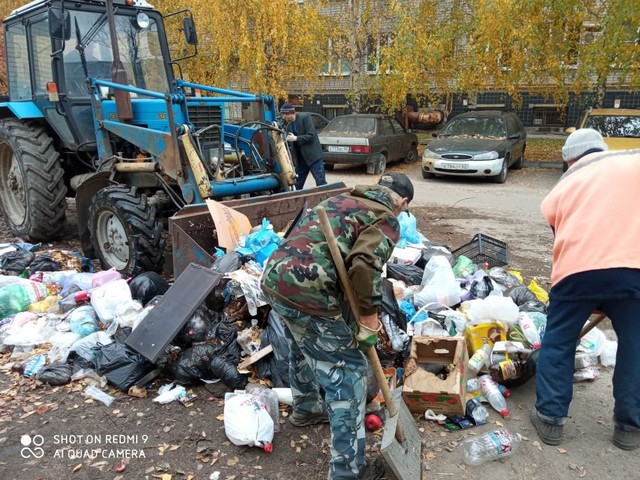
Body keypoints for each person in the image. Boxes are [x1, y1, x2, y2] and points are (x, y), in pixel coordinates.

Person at [260, 173, 414, 479]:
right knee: (348, 374)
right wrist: (370, 322)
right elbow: (364, 264)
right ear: (403, 203)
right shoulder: (386, 218)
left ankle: (306, 409)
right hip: (309, 293)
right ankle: (347, 470)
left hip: (275, 280)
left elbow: (337, 256)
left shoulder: (337, 200)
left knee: (301, 346)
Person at [531, 128, 640, 451]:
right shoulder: (633, 161)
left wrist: (587, 296)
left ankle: (550, 420)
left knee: (558, 342)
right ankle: (629, 428)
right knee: (635, 347)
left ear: (569, 159)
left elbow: (562, 235)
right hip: (634, 270)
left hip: (577, 272)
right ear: (600, 148)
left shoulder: (562, 187)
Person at [279, 103, 328, 190]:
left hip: (313, 157)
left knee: (321, 182)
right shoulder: (289, 126)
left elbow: (311, 135)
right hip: (301, 160)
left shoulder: (305, 118)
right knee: (297, 185)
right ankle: (296, 202)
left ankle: (325, 200)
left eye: (284, 115)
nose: (284, 118)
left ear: (290, 113)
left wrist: (296, 138)